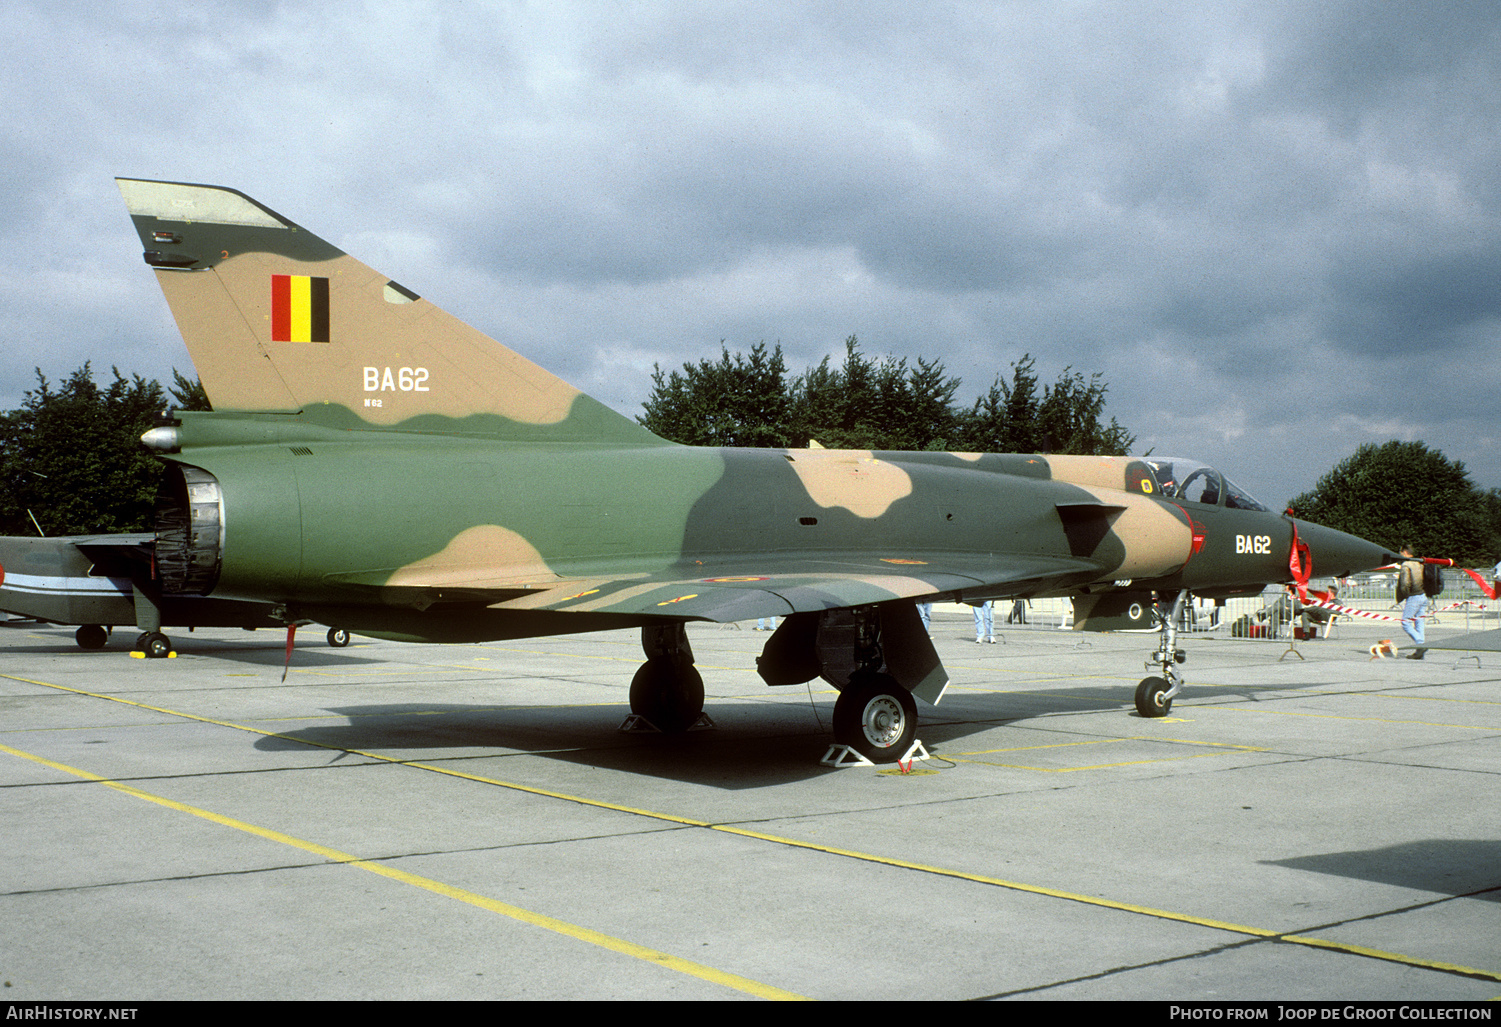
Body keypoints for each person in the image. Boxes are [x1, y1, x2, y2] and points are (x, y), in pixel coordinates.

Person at [1396, 546, 1426, 657]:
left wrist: (1404, 595)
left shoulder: (1406, 565)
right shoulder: (1419, 563)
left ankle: (1420, 644)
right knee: (1419, 622)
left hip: (1413, 596)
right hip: (1423, 595)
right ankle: (1420, 651)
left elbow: (1405, 583)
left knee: (1405, 622)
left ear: (1404, 552)